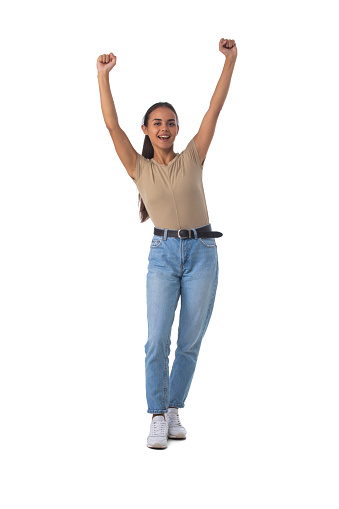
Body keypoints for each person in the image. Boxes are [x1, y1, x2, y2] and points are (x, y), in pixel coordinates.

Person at [97, 38, 237, 449]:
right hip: (162, 256)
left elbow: (215, 108)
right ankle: (157, 414)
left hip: (202, 253)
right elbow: (111, 125)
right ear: (146, 129)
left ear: (177, 128)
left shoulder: (194, 155)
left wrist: (230, 61)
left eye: (170, 122)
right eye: (156, 123)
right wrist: (103, 77)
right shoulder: (137, 167)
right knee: (158, 338)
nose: (164, 128)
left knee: (190, 341)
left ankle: (174, 407)